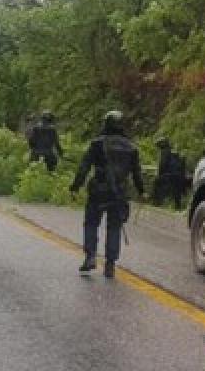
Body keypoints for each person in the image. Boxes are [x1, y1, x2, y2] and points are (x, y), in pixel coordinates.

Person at [69, 111, 145, 277]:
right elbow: (137, 173)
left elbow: (84, 167)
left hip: (98, 190)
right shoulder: (131, 147)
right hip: (120, 193)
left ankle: (90, 256)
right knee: (114, 227)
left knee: (91, 223)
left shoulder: (96, 144)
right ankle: (110, 264)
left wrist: (75, 186)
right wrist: (142, 192)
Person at [151, 137, 188, 209]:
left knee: (156, 183)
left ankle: (156, 203)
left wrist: (159, 175)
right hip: (178, 176)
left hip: (169, 175)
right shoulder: (173, 153)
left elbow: (163, 165)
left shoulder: (165, 152)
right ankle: (178, 207)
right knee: (177, 193)